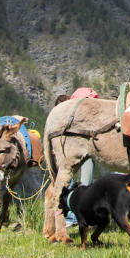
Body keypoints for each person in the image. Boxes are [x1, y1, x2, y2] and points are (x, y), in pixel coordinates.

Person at [55, 88, 99, 227]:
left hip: (75, 154)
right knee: (85, 184)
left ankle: (72, 216)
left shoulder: (68, 119)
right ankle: (83, 216)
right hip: (89, 152)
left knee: (69, 184)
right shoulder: (83, 113)